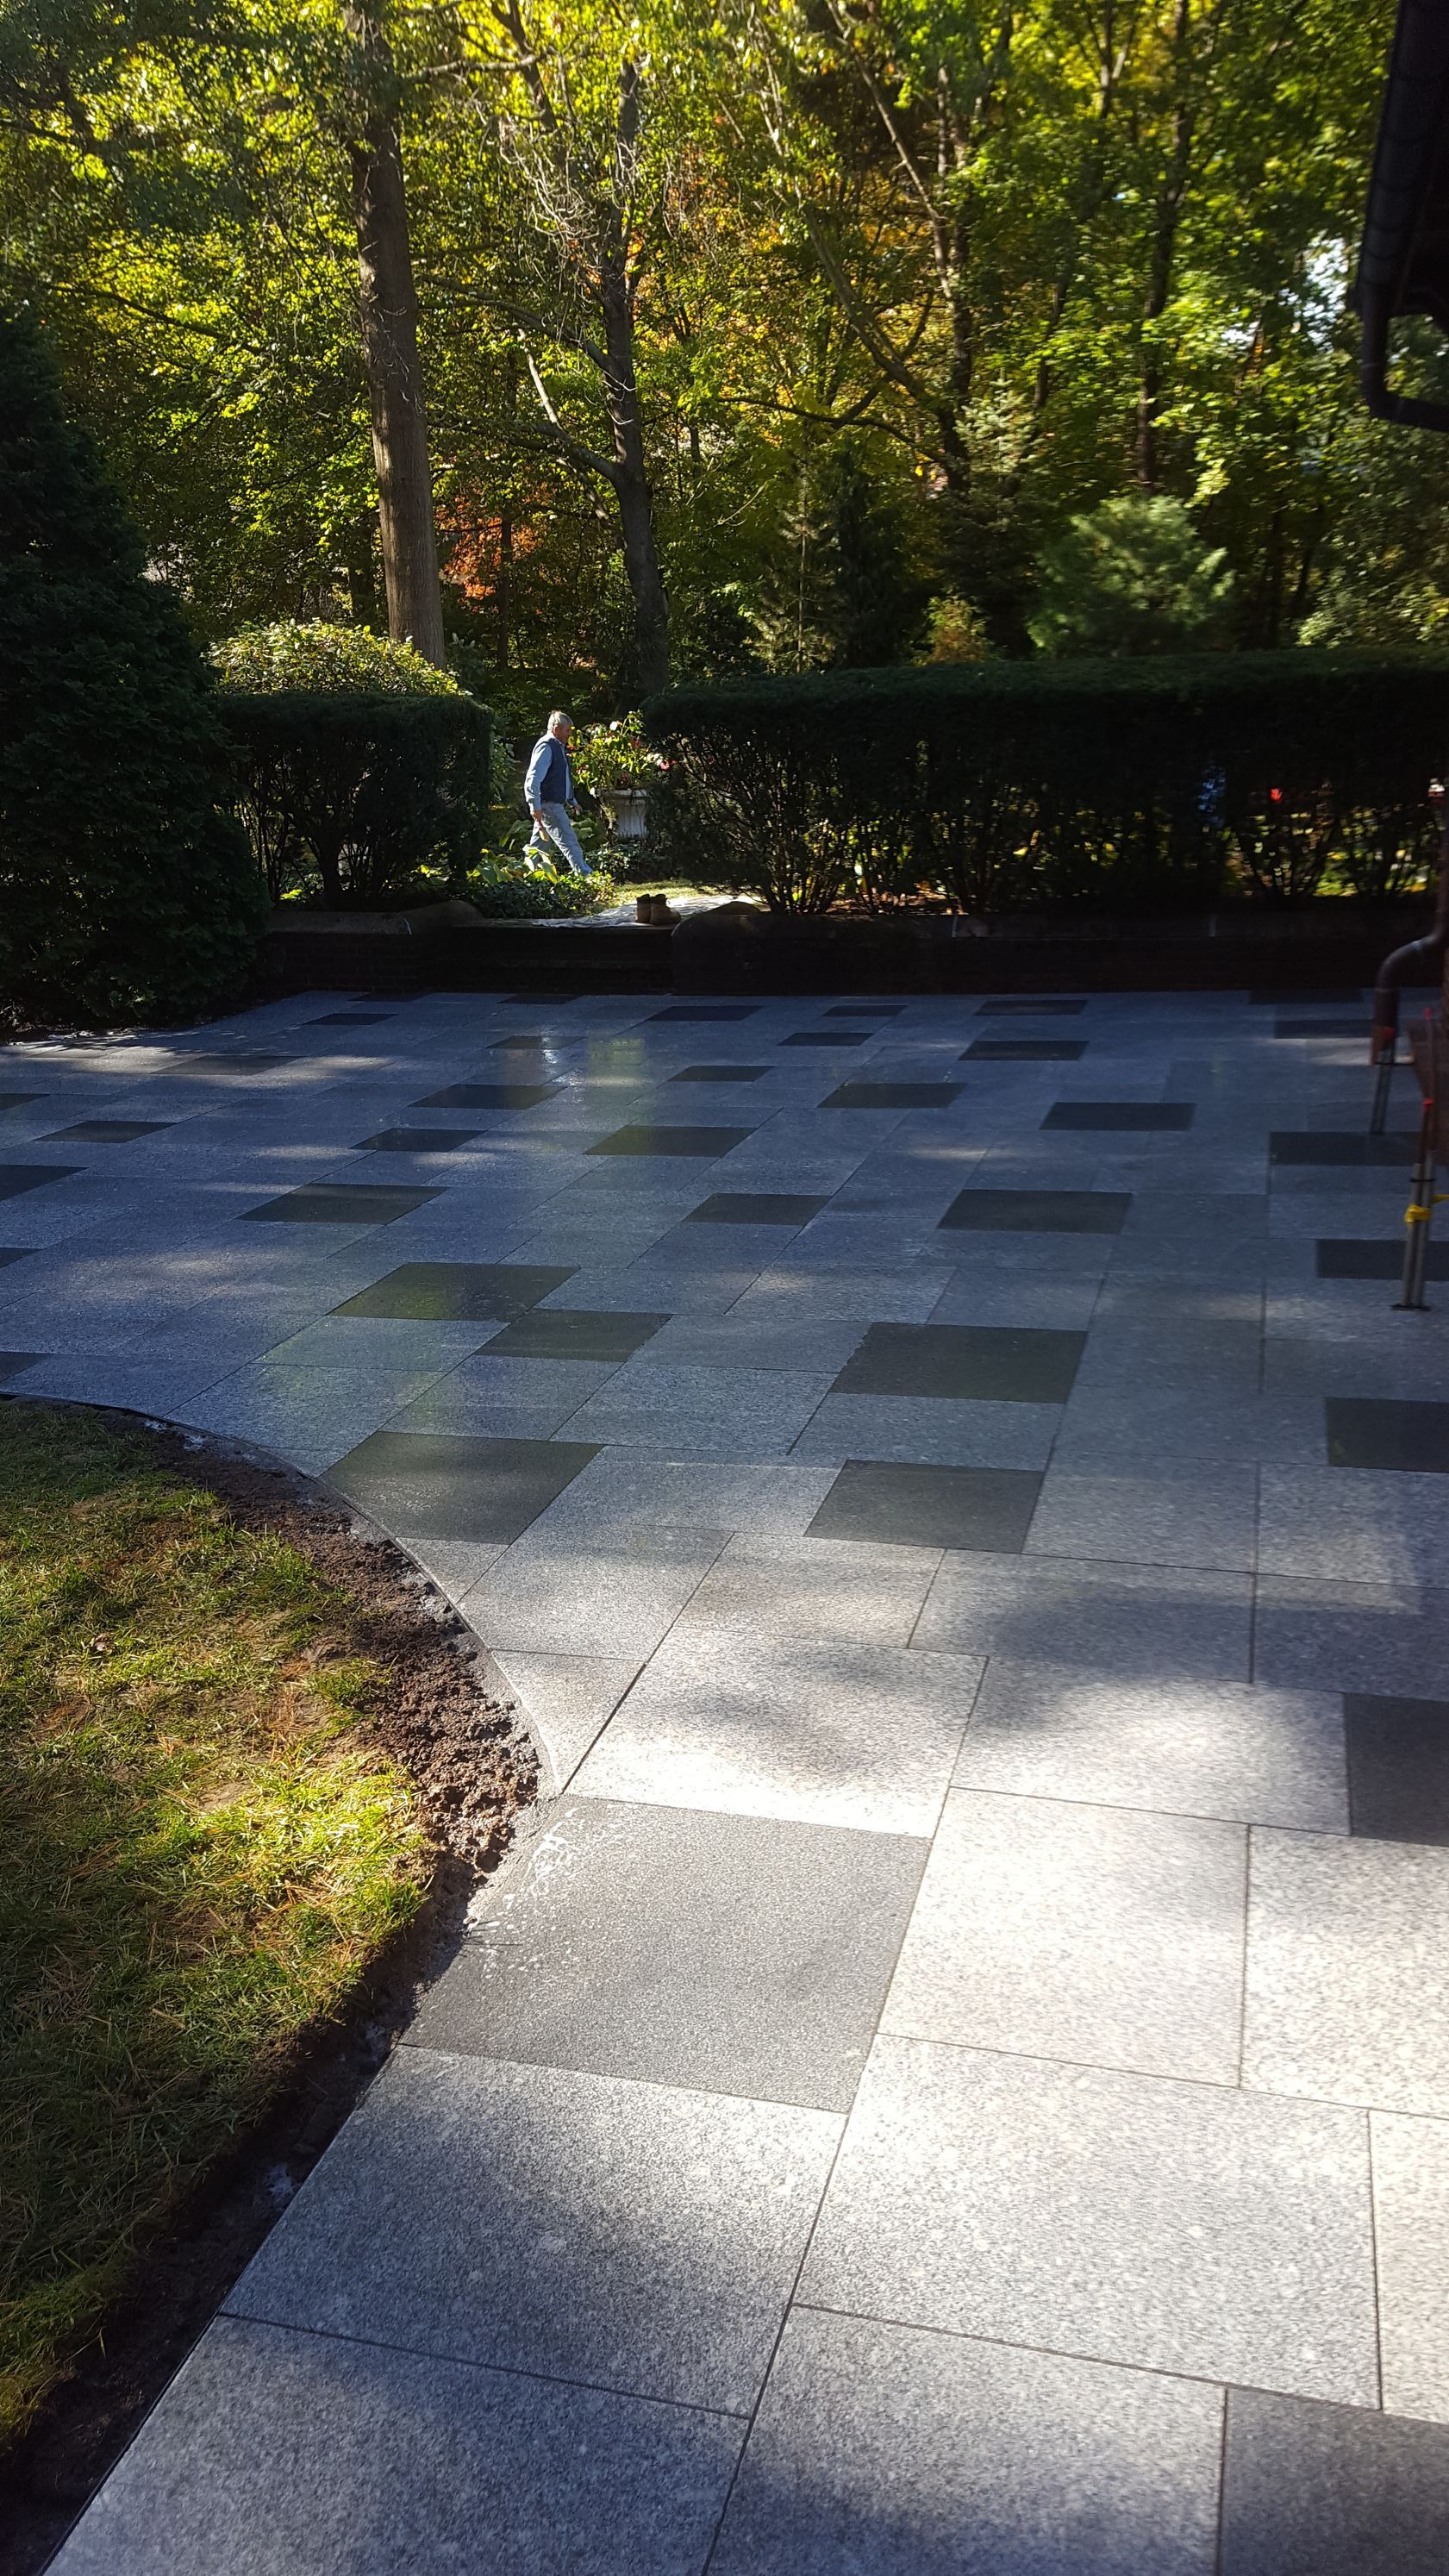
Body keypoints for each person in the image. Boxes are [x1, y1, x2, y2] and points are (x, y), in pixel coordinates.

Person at [524, 709, 591, 877]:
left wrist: (572, 800)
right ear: (556, 729)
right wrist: (535, 806)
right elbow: (533, 779)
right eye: (567, 730)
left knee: (538, 848)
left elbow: (562, 778)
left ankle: (524, 877)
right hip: (549, 806)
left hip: (550, 804)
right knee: (569, 842)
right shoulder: (547, 747)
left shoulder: (558, 747)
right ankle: (586, 876)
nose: (570, 734)